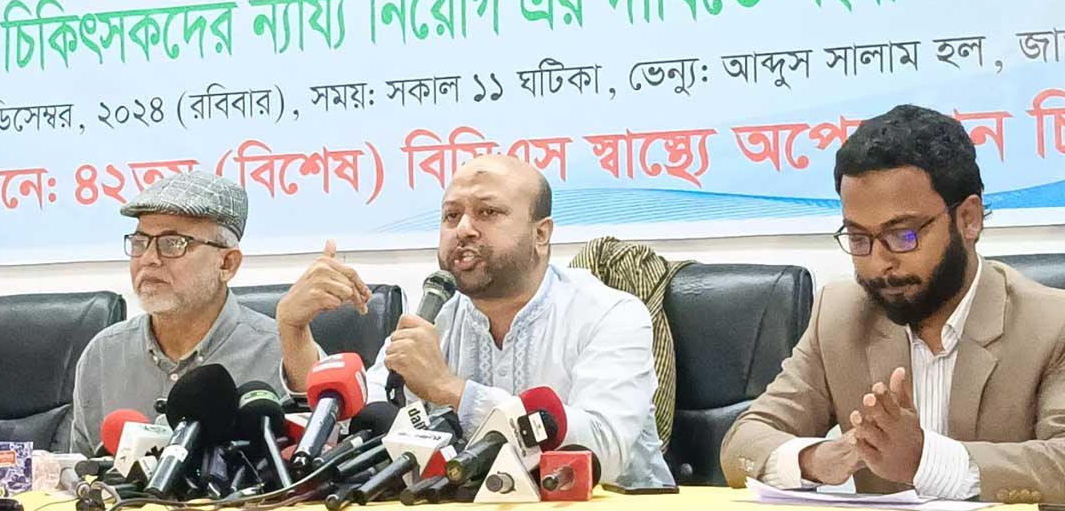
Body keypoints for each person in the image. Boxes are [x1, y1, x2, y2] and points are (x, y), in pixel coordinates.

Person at [721, 104, 1065, 504]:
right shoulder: (840, 315)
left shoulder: (1051, 324)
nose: (878, 263)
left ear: (968, 219)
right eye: (858, 239)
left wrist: (925, 460)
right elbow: (742, 442)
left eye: (903, 236)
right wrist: (816, 459)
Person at [278, 154, 675, 488]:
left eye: (488, 212)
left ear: (541, 234)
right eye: (451, 216)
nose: (464, 229)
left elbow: (604, 450)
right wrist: (295, 333)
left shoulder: (609, 314)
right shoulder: (438, 316)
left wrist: (452, 391)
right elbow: (360, 419)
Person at [71, 171, 285, 455]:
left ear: (227, 264)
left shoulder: (279, 354)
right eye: (139, 242)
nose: (148, 259)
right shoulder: (103, 355)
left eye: (173, 243)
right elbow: (79, 473)